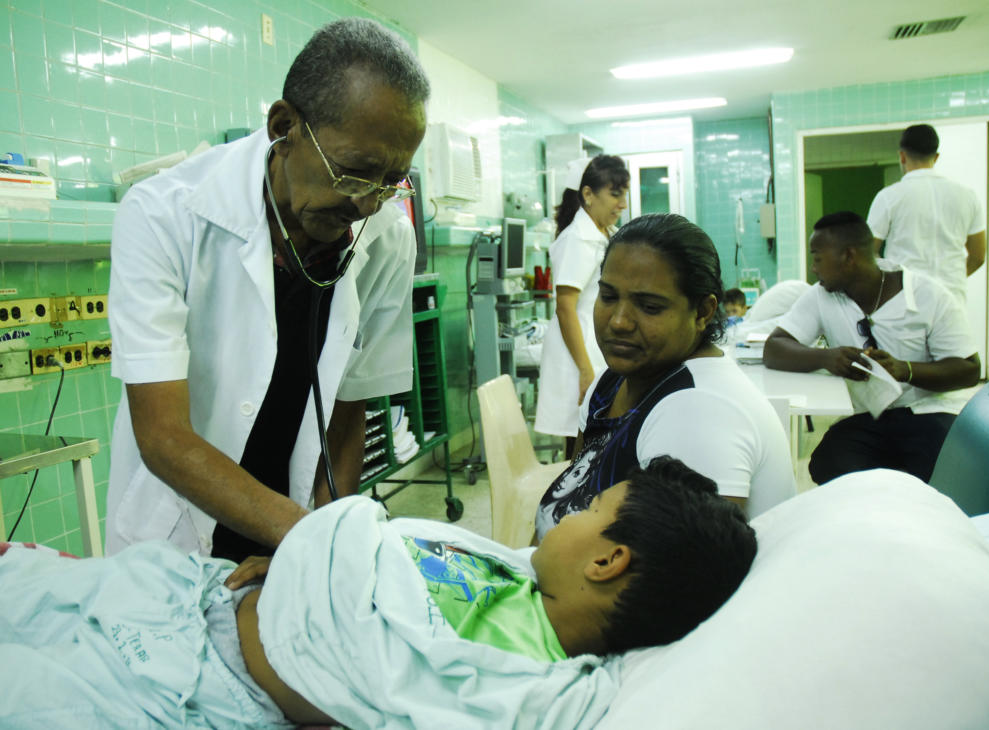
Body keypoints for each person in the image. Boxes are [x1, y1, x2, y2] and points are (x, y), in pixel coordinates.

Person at [0, 456, 757, 728]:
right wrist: (311, 557)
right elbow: (377, 546)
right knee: (29, 585)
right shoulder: (516, 573)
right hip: (204, 597)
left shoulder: (535, 684)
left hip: (205, 686)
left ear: (607, 563)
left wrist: (321, 578)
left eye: (587, 514)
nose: (566, 519)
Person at [106, 19, 430, 561]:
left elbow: (349, 413)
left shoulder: (388, 238)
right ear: (284, 127)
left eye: (392, 180)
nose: (369, 203)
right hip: (177, 530)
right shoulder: (163, 214)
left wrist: (316, 554)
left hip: (295, 521)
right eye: (354, 174)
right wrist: (308, 540)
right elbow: (164, 435)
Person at [535, 213, 796, 540]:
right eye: (609, 296)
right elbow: (569, 493)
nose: (618, 321)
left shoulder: (698, 411)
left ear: (703, 312)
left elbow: (677, 579)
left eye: (649, 306)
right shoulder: (612, 382)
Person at [764, 211, 980, 484]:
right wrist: (826, 357)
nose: (813, 268)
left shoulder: (930, 295)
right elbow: (774, 347)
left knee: (937, 471)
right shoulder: (822, 295)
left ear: (849, 257)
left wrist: (906, 370)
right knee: (829, 463)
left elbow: (970, 369)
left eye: (817, 257)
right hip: (869, 417)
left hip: (927, 413)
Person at [535, 155, 630, 453]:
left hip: (593, 345)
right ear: (588, 194)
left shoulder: (603, 235)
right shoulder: (577, 238)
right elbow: (565, 307)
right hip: (576, 352)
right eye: (615, 194)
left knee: (593, 431)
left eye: (624, 194)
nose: (622, 204)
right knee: (577, 437)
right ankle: (571, 499)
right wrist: (585, 370)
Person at [867, 123, 986, 307]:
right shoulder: (967, 196)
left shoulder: (889, 197)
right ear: (936, 157)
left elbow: (868, 252)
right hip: (951, 299)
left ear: (902, 156)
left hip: (905, 299)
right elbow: (978, 256)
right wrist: (950, 280)